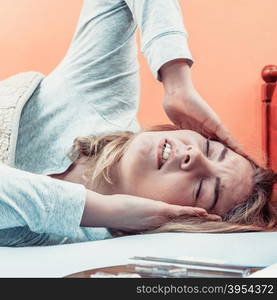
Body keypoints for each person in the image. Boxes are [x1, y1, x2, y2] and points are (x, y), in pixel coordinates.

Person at [0, 0, 275, 247]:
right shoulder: (99, 98)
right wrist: (177, 81)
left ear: (187, 221)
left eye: (203, 188)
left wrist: (103, 211)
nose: (195, 155)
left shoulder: (84, 244)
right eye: (210, 147)